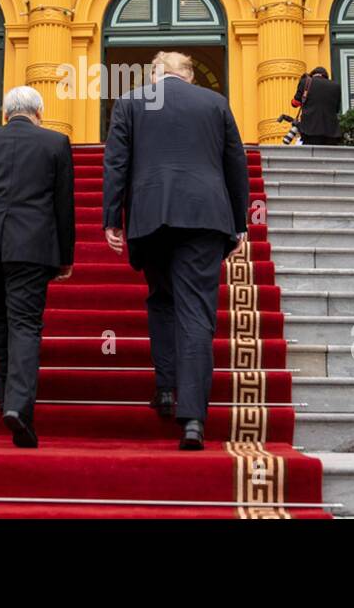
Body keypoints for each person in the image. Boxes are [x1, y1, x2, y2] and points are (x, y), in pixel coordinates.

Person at [102, 51, 249, 451]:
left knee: (163, 301)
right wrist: (239, 223)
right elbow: (236, 164)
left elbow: (116, 163)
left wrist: (112, 219)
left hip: (150, 217)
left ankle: (166, 388)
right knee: (196, 312)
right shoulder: (215, 103)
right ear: (187, 76)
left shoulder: (131, 101)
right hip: (204, 218)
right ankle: (193, 420)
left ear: (156, 74)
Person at [0, 86, 74, 448]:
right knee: (24, 323)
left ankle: (4, 396)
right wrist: (65, 255)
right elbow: (63, 205)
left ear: (4, 115)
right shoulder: (55, 143)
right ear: (39, 112)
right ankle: (18, 406)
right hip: (32, 246)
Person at [290, 68, 342, 146]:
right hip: (331, 131)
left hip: (310, 129)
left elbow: (295, 103)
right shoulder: (336, 86)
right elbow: (337, 109)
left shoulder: (305, 82)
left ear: (313, 74)